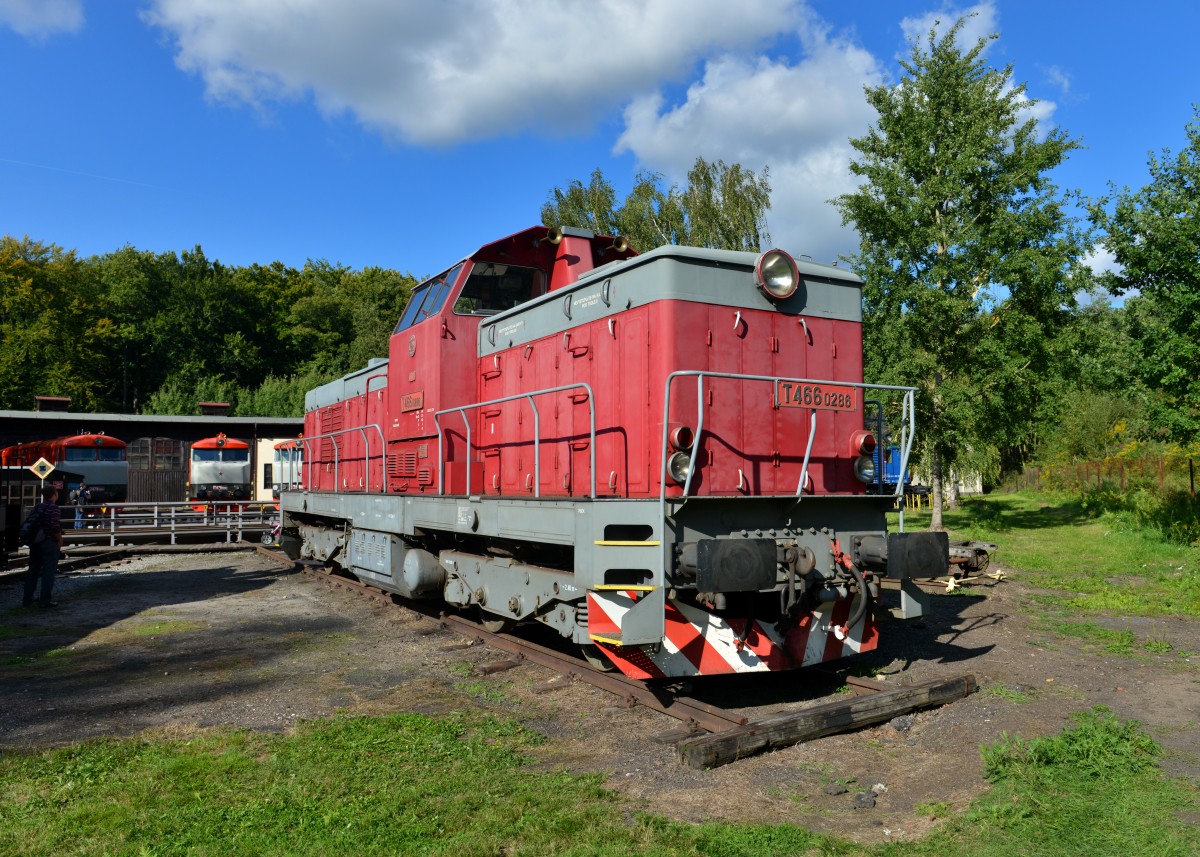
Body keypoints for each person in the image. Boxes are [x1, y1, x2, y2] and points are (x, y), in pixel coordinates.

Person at [23, 485, 63, 608]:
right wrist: (60, 539)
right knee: (48, 572)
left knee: (32, 571)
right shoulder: (54, 508)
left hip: (35, 542)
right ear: (54, 494)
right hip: (49, 542)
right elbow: (54, 525)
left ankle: (27, 600)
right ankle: (45, 600)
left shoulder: (38, 506)